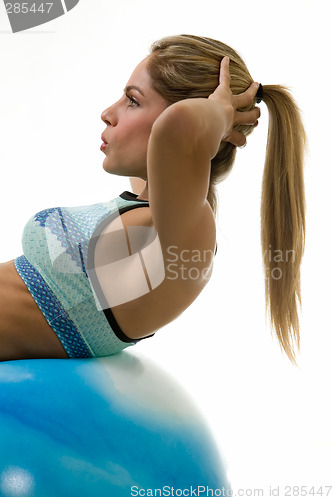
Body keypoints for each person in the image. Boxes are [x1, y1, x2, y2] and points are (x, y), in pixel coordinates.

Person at [0, 34, 306, 364]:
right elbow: (171, 145)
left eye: (133, 101)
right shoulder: (144, 204)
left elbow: (177, 131)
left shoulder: (185, 240)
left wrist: (219, 115)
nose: (107, 113)